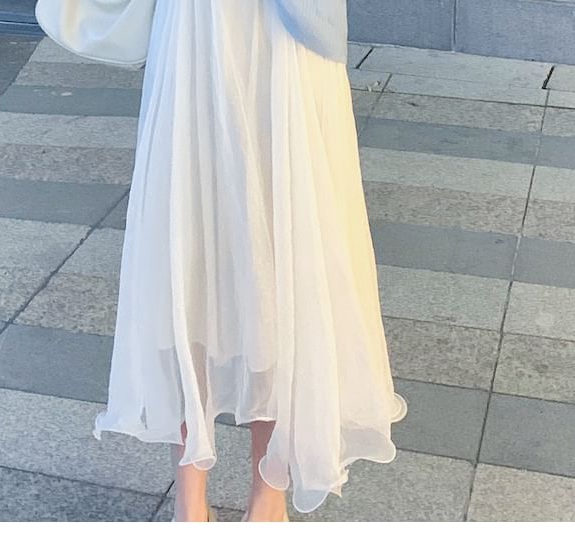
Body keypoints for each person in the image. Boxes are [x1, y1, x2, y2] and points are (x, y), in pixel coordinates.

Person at [93, 0, 408, 522]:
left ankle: (251, 497)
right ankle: (213, 500)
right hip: (209, 29)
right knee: (202, 243)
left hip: (275, 36)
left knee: (259, 243)